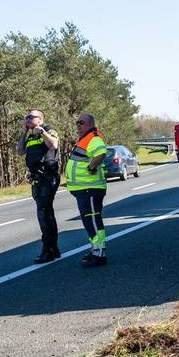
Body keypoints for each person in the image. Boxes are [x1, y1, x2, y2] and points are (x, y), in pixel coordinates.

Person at [16, 109, 61, 263]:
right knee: (46, 214)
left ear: (40, 119)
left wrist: (41, 132)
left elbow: (53, 144)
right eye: (26, 117)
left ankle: (48, 250)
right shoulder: (29, 137)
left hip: (48, 178)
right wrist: (24, 132)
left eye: (31, 117)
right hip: (37, 179)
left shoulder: (48, 131)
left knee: (44, 214)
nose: (27, 119)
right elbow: (19, 151)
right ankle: (53, 249)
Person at [65, 112, 109, 267]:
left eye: (81, 122)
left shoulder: (94, 138)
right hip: (84, 189)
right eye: (77, 122)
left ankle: (100, 253)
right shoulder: (84, 140)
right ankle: (95, 249)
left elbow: (101, 153)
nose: (78, 125)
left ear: (90, 124)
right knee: (88, 220)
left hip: (91, 188)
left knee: (93, 219)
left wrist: (91, 166)